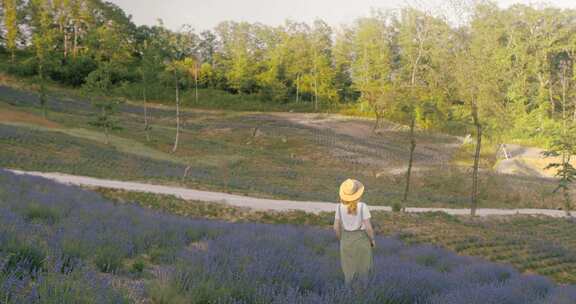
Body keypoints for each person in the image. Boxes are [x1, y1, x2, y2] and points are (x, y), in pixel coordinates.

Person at [333, 179, 375, 284]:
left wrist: (341, 239)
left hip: (346, 240)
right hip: (361, 240)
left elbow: (335, 227)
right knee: (364, 271)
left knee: (348, 272)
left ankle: (348, 295)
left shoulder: (338, 207)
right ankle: (363, 295)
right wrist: (372, 240)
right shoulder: (362, 206)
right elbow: (369, 228)